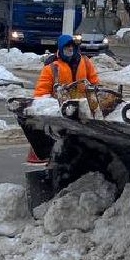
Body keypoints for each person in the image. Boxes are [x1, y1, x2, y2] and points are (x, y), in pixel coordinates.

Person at [26, 34, 100, 166]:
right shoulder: (52, 67)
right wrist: (48, 106)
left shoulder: (84, 61)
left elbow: (94, 82)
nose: (70, 49)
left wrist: (95, 94)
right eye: (67, 46)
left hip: (83, 108)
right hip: (60, 109)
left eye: (72, 46)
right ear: (61, 48)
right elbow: (41, 92)